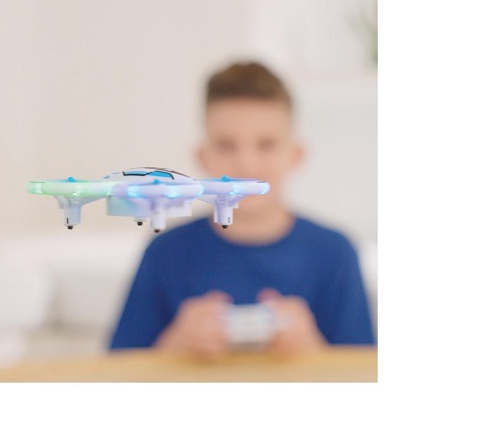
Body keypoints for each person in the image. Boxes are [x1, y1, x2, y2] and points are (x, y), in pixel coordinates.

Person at [109, 61, 374, 357]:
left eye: (266, 144)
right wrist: (174, 345)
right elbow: (114, 371)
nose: (246, 164)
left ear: (296, 155)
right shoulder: (164, 254)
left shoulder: (335, 254)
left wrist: (312, 350)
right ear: (203, 157)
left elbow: (365, 373)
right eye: (226, 146)